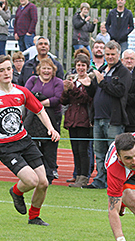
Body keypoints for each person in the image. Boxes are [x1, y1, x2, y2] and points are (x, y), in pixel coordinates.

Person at [0, 55, 60, 226]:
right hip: (5, 146)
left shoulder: (22, 92)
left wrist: (51, 128)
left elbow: (40, 110)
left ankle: (34, 217)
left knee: (43, 182)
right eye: (1, 70)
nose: (6, 73)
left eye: (9, 69)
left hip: (24, 140)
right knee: (31, 181)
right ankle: (16, 192)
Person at [83, 41, 131, 189]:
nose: (110, 57)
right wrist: (89, 86)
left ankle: (114, 180)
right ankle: (100, 179)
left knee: (114, 152)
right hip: (98, 117)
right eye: (107, 54)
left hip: (113, 119)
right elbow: (95, 92)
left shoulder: (123, 72)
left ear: (118, 55)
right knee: (99, 150)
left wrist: (102, 82)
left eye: (112, 54)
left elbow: (120, 92)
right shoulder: (102, 69)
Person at [24, 58, 63, 184]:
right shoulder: (32, 80)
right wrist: (38, 106)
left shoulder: (58, 82)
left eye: (49, 68)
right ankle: (35, 173)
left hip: (51, 119)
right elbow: (26, 95)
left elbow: (57, 98)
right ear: (39, 70)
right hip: (32, 120)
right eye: (44, 68)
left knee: (49, 148)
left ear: (53, 70)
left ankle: (50, 172)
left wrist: (38, 104)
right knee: (33, 146)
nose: (46, 71)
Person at [60, 54, 93, 188]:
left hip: (84, 120)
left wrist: (72, 89)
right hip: (72, 119)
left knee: (83, 150)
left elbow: (86, 98)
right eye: (78, 65)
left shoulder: (89, 81)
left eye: (83, 65)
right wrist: (66, 90)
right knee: (75, 150)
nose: (80, 68)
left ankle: (84, 177)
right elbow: (63, 101)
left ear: (87, 67)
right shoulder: (72, 80)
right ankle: (77, 175)